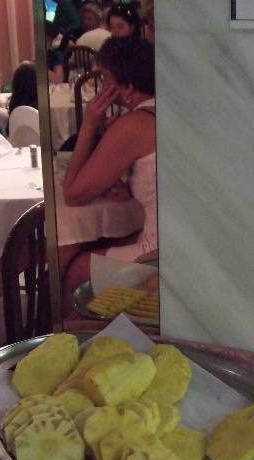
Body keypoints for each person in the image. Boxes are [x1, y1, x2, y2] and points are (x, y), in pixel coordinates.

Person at [60, 37, 156, 303]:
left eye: (105, 79)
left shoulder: (133, 124)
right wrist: (131, 186)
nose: (101, 87)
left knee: (77, 269)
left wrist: (89, 126)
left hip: (162, 252)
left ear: (127, 87)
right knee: (99, 244)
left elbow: (73, 194)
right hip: (185, 240)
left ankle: (75, 326)